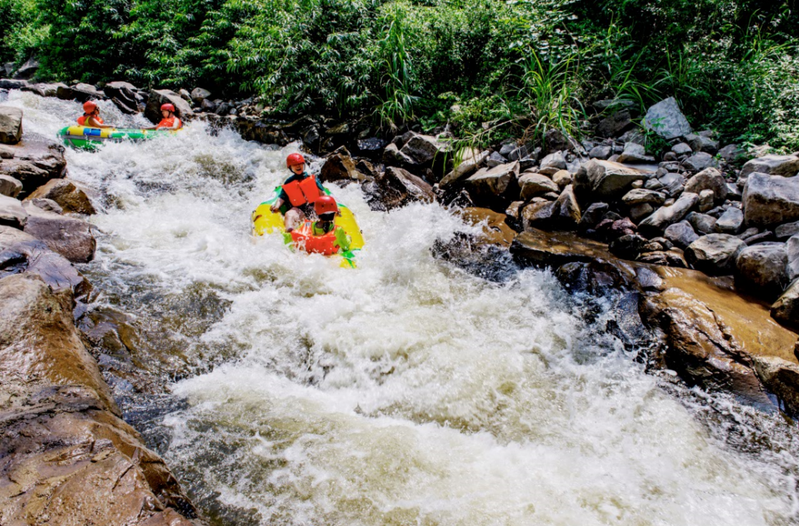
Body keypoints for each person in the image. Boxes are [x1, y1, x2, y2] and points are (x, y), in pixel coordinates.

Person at [270, 152, 326, 232]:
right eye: (295, 164)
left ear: (303, 165)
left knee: (319, 219)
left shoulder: (312, 178)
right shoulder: (289, 182)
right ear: (290, 167)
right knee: (289, 214)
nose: (298, 166)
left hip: (314, 209)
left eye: (300, 164)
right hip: (299, 210)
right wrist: (276, 206)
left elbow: (323, 194)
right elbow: (282, 197)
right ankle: (290, 233)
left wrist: (333, 207)